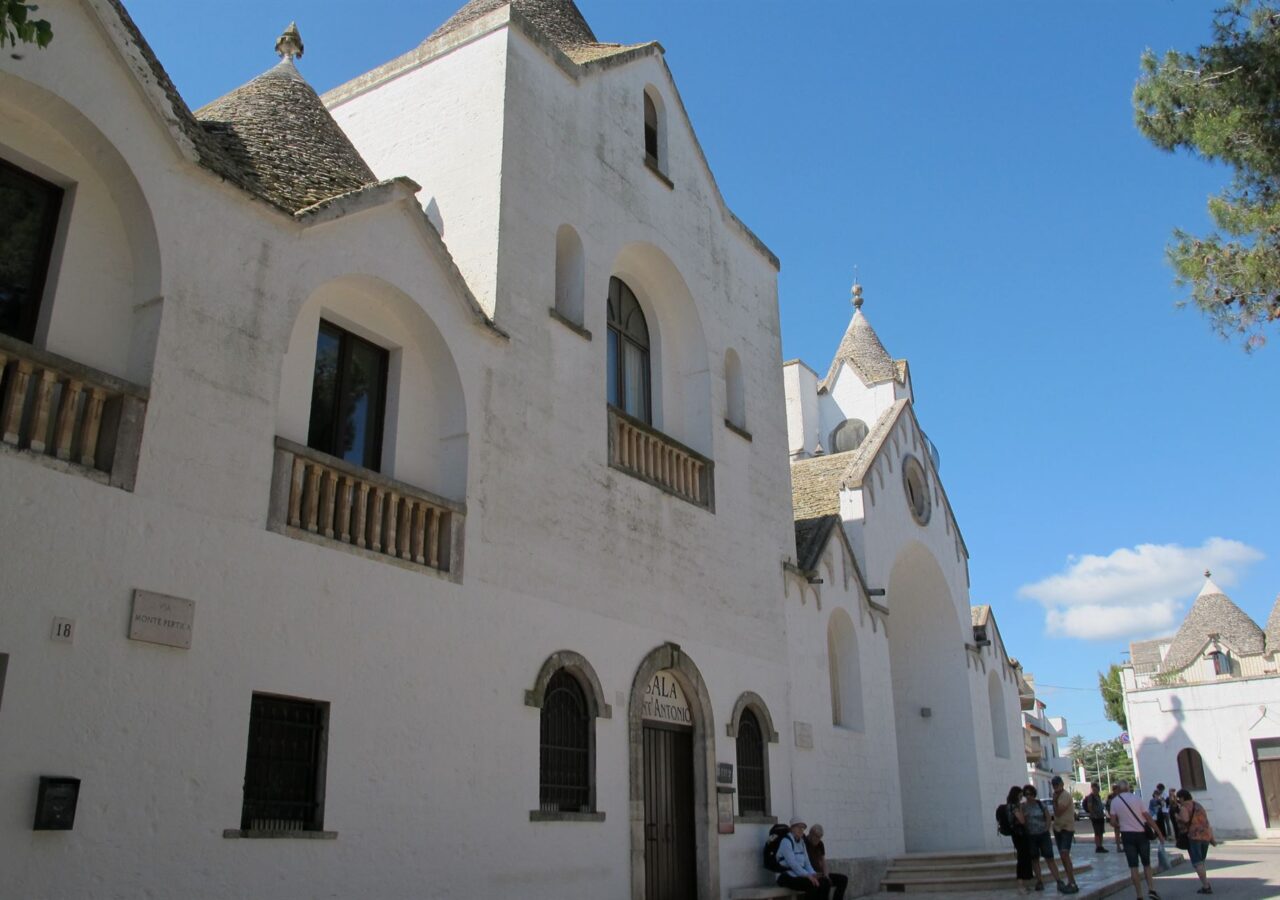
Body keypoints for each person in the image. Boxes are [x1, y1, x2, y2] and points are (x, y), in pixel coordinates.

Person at [1109, 779, 1165, 900]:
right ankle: (1151, 889)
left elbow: (1113, 822)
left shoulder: (1114, 802)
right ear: (1128, 788)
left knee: (1133, 866)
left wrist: (1121, 825)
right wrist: (1159, 834)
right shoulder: (1137, 799)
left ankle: (1139, 895)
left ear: (1118, 789)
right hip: (1141, 834)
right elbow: (1147, 817)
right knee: (1146, 864)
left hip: (1127, 836)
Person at [1018, 785, 1071, 894]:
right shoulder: (1023, 807)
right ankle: (1039, 881)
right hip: (1031, 836)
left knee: (1049, 857)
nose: (1028, 796)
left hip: (1043, 834)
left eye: (1030, 794)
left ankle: (1058, 880)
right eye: (1026, 794)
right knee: (1034, 859)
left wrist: (1046, 829)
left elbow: (1047, 818)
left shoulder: (1040, 804)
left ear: (1034, 794)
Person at [776, 817, 833, 899]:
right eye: (798, 827)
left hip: (798, 874)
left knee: (824, 882)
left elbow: (807, 863)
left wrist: (813, 873)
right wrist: (807, 875)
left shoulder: (801, 843)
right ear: (792, 828)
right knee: (812, 884)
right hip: (785, 876)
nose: (801, 830)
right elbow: (793, 864)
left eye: (802, 828)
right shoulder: (786, 842)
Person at [1175, 788, 1216, 895]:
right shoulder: (1199, 806)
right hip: (1205, 836)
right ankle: (1205, 884)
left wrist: (1177, 817)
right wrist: (1212, 838)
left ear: (1182, 798)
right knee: (1201, 862)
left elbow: (1185, 820)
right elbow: (1206, 822)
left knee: (1197, 862)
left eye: (1179, 798)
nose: (1179, 801)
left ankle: (1206, 886)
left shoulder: (1184, 807)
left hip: (1194, 836)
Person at [1003, 785, 1036, 895]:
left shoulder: (1008, 806)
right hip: (1020, 835)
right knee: (1022, 859)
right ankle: (1021, 884)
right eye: (1021, 795)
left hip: (1016, 835)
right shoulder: (1014, 807)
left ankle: (1023, 883)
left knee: (1022, 858)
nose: (1022, 798)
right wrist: (1023, 811)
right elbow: (1021, 820)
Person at [1050, 776, 1080, 893]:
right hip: (1058, 828)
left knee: (1064, 854)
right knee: (1063, 856)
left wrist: (1054, 800)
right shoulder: (1056, 796)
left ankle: (1072, 882)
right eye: (1054, 785)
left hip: (1066, 829)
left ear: (1061, 784)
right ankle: (1070, 881)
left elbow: (1058, 811)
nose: (1056, 787)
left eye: (1057, 785)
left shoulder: (1065, 796)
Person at [804, 824, 848, 900]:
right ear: (811, 833)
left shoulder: (820, 844)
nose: (818, 839)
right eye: (816, 836)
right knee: (824, 883)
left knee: (843, 879)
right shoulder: (804, 843)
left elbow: (823, 861)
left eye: (820, 837)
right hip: (811, 875)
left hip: (821, 874)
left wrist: (826, 875)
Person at [1082, 782, 1109, 853]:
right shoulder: (1091, 797)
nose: (1095, 790)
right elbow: (1090, 806)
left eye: (1096, 788)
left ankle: (1100, 846)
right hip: (1095, 817)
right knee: (1097, 832)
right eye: (1093, 789)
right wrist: (1093, 814)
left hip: (1100, 816)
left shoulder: (1098, 796)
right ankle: (1098, 846)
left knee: (1101, 832)